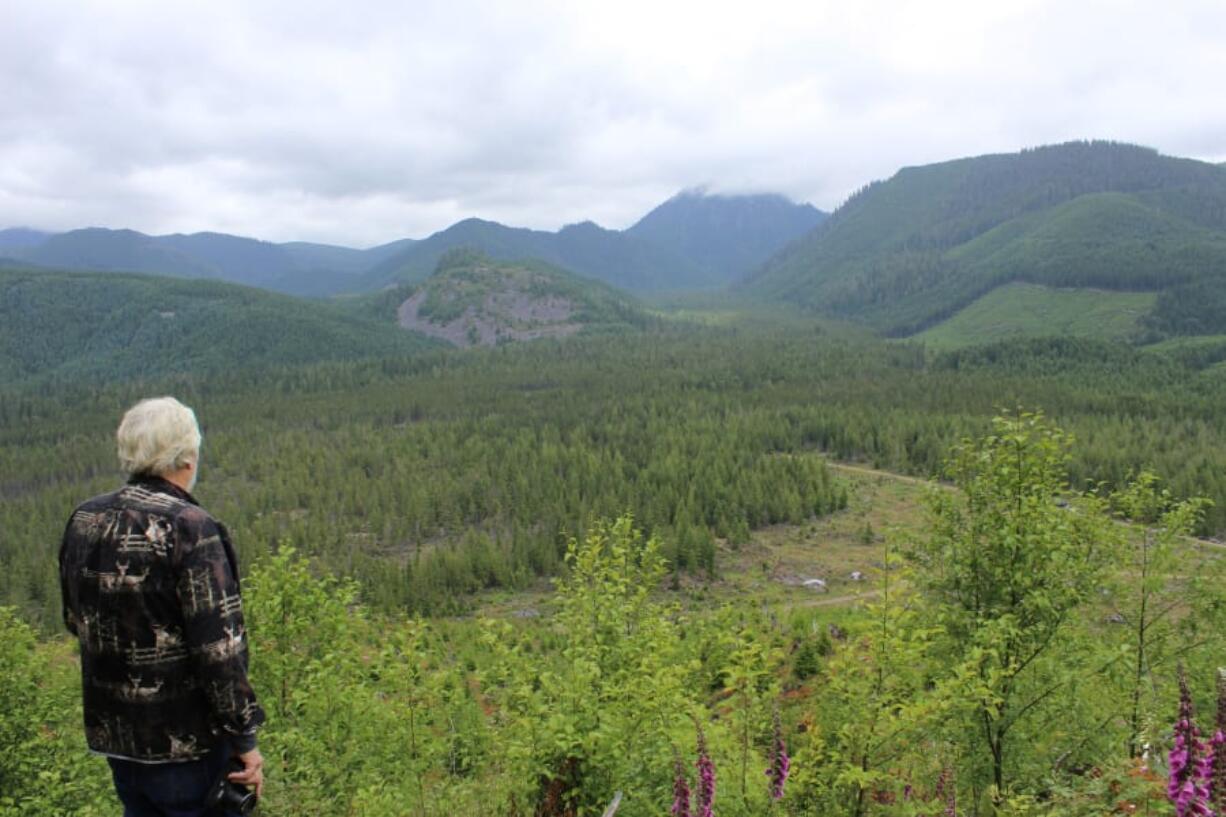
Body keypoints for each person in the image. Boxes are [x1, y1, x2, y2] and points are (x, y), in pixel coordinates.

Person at [59, 396, 266, 816]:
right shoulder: (190, 528)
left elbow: (74, 620)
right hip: (187, 748)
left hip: (117, 741)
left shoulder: (85, 520)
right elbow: (220, 651)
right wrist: (245, 740)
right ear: (186, 458)